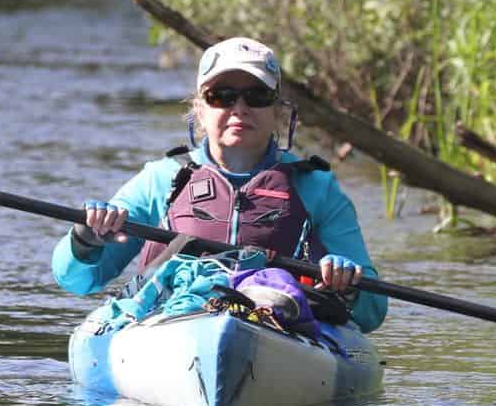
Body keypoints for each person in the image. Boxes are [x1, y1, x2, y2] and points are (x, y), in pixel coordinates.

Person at [52, 36, 388, 333]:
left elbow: (373, 312)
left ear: (277, 111)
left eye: (257, 96)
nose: (239, 109)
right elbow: (78, 280)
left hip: (275, 326)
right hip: (170, 323)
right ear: (199, 109)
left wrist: (349, 285)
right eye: (222, 96)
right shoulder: (161, 180)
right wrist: (86, 238)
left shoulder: (316, 187)